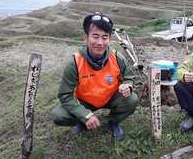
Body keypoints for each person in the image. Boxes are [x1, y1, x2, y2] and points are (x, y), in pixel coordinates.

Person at [52, 13, 138, 141]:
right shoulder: (75, 63)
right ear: (86, 38)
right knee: (58, 115)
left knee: (132, 99)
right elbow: (65, 95)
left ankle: (113, 121)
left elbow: (129, 77)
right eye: (95, 36)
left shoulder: (117, 57)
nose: (100, 42)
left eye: (105, 37)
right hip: (85, 102)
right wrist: (85, 115)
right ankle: (83, 122)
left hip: (110, 97)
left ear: (109, 39)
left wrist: (128, 86)